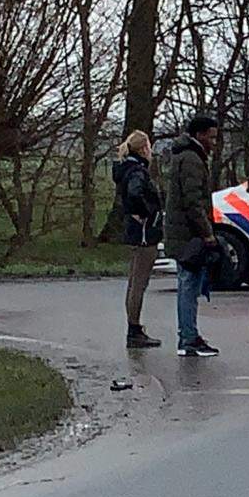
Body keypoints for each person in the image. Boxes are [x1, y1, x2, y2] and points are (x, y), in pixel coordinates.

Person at [165, 116, 221, 358]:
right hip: (188, 235)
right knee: (189, 286)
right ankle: (188, 338)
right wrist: (207, 233)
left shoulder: (185, 156)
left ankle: (189, 335)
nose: (214, 142)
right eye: (211, 136)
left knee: (188, 285)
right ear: (199, 135)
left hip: (182, 233)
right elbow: (193, 201)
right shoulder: (192, 160)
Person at [115, 129, 162, 349]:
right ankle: (134, 329)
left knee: (134, 281)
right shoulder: (137, 172)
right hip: (144, 232)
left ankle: (133, 327)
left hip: (135, 231)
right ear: (143, 148)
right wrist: (146, 212)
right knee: (139, 283)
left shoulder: (126, 168)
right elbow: (135, 194)